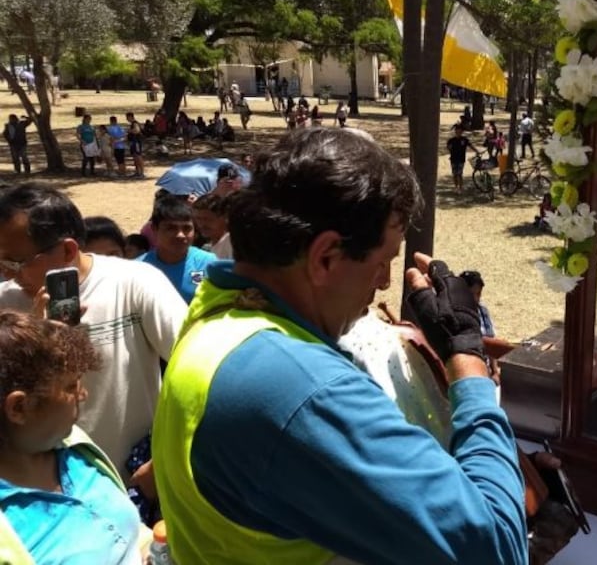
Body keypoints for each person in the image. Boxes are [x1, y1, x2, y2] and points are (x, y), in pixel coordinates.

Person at [152, 127, 526, 564]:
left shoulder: (217, 311)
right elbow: (496, 549)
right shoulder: (298, 389)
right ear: (326, 257)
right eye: (382, 261)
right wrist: (467, 357)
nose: (384, 281)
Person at [0, 183, 186, 478]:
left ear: (68, 250)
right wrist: (33, 340)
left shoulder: (135, 283)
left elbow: (192, 368)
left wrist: (165, 459)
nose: (7, 272)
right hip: (43, 490)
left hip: (134, 478)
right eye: (2, 260)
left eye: (17, 262)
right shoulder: (5, 305)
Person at [0, 311, 149, 563]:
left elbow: (124, 529)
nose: (83, 395)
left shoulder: (75, 445)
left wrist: (148, 546)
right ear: (19, 408)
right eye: (70, 386)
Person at [138, 195, 217, 304]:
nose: (180, 235)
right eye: (171, 228)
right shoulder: (139, 269)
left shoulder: (209, 264)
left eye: (187, 228)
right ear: (154, 229)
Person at [192, 194, 232, 259]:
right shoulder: (206, 247)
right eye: (198, 219)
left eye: (207, 219)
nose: (202, 224)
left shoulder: (231, 243)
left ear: (224, 217)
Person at [461, 270, 495, 338]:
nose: (475, 298)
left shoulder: (482, 310)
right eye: (471, 294)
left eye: (478, 293)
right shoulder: (458, 313)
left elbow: (491, 335)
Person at [447, 123, 476, 193]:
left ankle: (460, 187)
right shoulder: (451, 140)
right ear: (455, 131)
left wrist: (477, 151)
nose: (458, 132)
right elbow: (448, 147)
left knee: (460, 174)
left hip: (461, 159)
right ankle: (456, 187)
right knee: (454, 174)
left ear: (462, 132)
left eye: (460, 131)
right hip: (453, 159)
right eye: (457, 131)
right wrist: (450, 150)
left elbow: (470, 145)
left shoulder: (464, 140)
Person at [125, 112, 145, 179]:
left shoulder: (135, 123)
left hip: (136, 142)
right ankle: (137, 172)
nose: (127, 119)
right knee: (135, 157)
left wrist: (130, 131)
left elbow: (137, 130)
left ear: (130, 117)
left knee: (138, 157)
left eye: (127, 117)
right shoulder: (132, 124)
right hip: (133, 142)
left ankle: (142, 173)